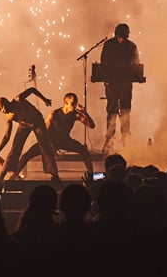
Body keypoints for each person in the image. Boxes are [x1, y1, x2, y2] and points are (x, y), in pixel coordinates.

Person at [17, 92, 96, 176]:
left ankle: (92, 176)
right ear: (66, 103)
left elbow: (91, 126)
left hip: (64, 141)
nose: (75, 105)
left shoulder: (75, 115)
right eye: (73, 103)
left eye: (76, 103)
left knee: (84, 151)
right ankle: (14, 175)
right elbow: (44, 133)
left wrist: (85, 112)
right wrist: (52, 146)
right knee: (27, 155)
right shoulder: (54, 114)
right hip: (49, 140)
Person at [0, 86, 59, 185]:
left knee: (44, 146)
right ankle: (2, 175)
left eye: (2, 108)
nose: (3, 111)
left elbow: (32, 89)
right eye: (0, 110)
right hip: (24, 125)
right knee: (15, 147)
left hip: (37, 121)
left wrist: (44, 99)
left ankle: (55, 175)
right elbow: (7, 136)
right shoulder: (8, 117)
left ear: (6, 102)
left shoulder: (18, 99)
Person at [100, 22, 140, 154]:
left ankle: (126, 142)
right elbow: (103, 63)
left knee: (125, 111)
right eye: (119, 37)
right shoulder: (110, 45)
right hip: (114, 82)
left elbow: (136, 65)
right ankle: (109, 142)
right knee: (112, 110)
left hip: (124, 83)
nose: (121, 39)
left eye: (123, 37)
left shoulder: (131, 46)